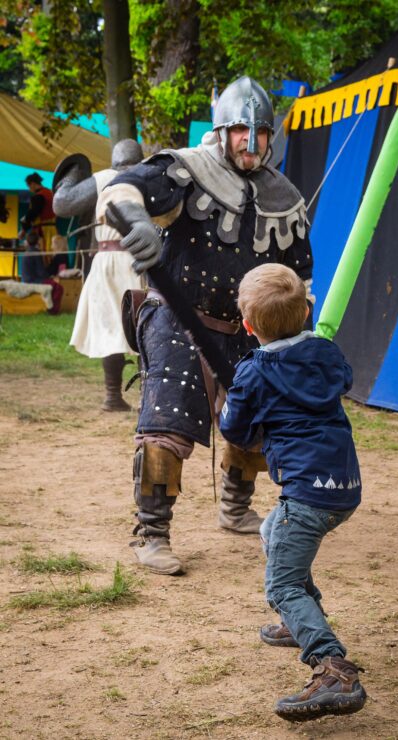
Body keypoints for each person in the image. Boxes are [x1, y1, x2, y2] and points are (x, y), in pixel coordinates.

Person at [101, 76, 313, 575]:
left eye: (260, 132)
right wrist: (137, 225)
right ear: (222, 131)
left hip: (247, 329)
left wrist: (296, 339)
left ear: (271, 137)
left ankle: (235, 508)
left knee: (257, 420)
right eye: (241, 129)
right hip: (176, 316)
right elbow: (124, 186)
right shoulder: (186, 169)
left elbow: (299, 278)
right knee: (167, 422)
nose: (250, 140)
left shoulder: (286, 197)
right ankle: (152, 532)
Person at [219, 263, 366, 722]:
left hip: (305, 494)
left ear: (246, 325)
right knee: (271, 533)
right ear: (306, 311)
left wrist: (234, 400)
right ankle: (297, 623)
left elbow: (236, 432)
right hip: (344, 486)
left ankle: (332, 668)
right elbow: (343, 379)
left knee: (282, 581)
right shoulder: (325, 351)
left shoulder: (254, 371)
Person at [53, 139, 144, 411]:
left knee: (113, 327)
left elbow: (62, 202)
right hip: (141, 260)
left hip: (108, 261)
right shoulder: (148, 177)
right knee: (145, 327)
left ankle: (113, 396)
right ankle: (144, 399)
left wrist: (73, 173)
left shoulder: (104, 178)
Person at [18, 172, 57, 253]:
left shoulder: (39, 196)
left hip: (43, 231)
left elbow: (33, 213)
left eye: (29, 186)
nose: (29, 189)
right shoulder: (50, 193)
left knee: (43, 255)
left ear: (32, 184)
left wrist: (23, 230)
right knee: (52, 253)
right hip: (52, 230)